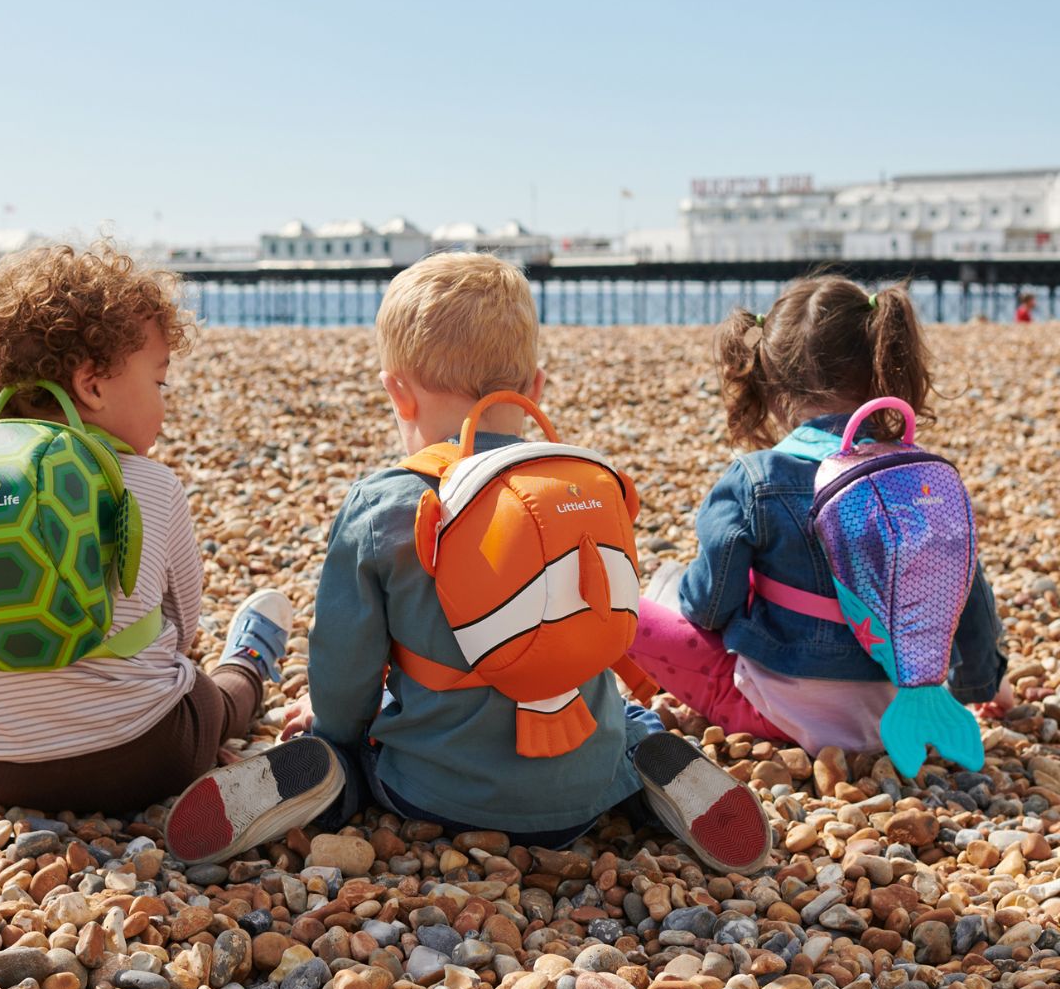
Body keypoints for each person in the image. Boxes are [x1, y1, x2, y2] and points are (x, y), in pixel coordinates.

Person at [165, 252, 772, 874]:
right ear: (535, 387)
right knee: (621, 714)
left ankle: (336, 776)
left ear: (397, 394)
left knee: (360, 752)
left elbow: (345, 663)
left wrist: (338, 724)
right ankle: (641, 759)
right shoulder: (581, 484)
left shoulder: (385, 504)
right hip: (587, 794)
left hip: (432, 791)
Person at [0, 243, 294, 813]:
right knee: (212, 697)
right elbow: (183, 621)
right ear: (94, 385)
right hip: (145, 755)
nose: (163, 405)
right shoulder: (149, 482)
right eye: (160, 384)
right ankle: (250, 662)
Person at [626, 276, 1009, 758]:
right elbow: (964, 591)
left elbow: (707, 608)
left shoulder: (757, 477)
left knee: (624, 606)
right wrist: (982, 682)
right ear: (881, 366)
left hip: (779, 715)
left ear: (773, 381)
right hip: (899, 711)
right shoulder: (920, 481)